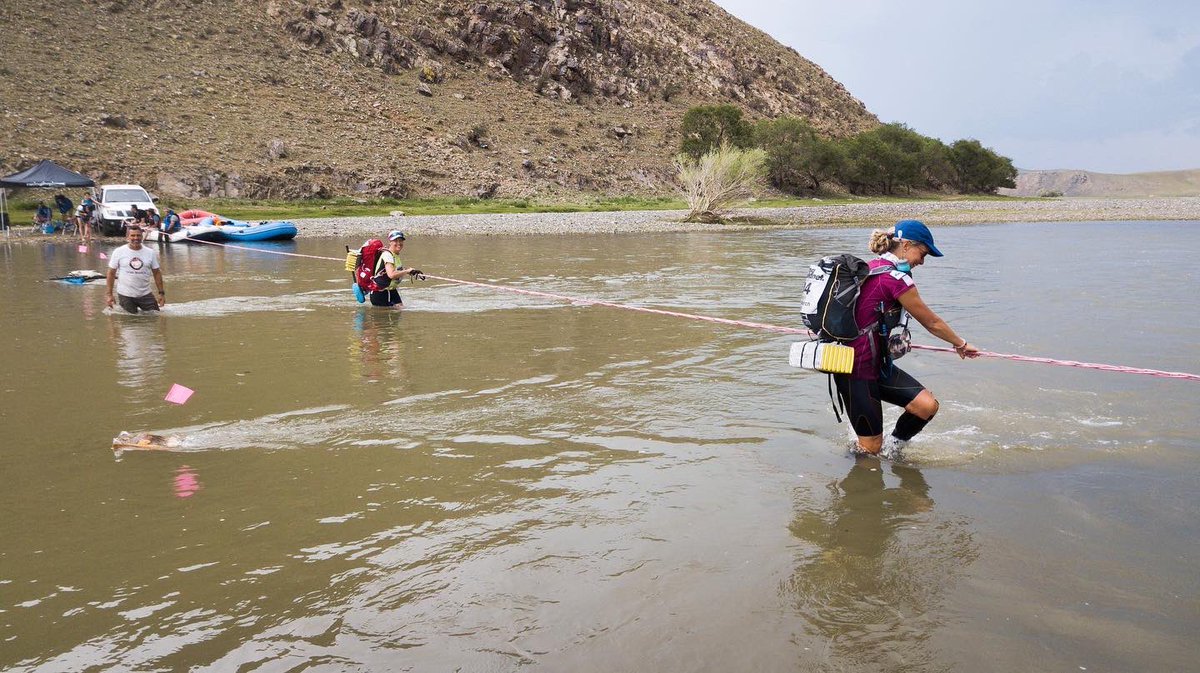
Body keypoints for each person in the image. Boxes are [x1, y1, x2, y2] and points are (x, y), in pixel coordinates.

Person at [833, 220, 979, 457]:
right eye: (923, 254)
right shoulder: (893, 279)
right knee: (869, 451)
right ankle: (860, 471)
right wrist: (960, 344)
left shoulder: (872, 268)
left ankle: (893, 451)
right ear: (907, 245)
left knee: (925, 406)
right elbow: (932, 322)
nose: (922, 261)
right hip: (855, 369)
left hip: (877, 364)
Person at [105, 226, 165, 313]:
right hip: (125, 294)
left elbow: (157, 273)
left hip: (145, 293)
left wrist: (161, 294)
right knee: (130, 322)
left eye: (138, 235)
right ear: (127, 237)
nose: (136, 238)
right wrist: (109, 295)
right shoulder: (118, 252)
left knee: (155, 317)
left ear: (142, 236)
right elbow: (111, 273)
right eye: (132, 236)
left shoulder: (150, 252)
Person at [369, 230, 422, 308]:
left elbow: (396, 270)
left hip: (391, 290)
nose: (399, 243)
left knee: (399, 312)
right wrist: (407, 271)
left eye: (400, 240)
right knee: (384, 318)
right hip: (380, 292)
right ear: (390, 242)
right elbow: (392, 275)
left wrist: (410, 272)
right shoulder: (387, 255)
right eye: (395, 240)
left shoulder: (395, 255)